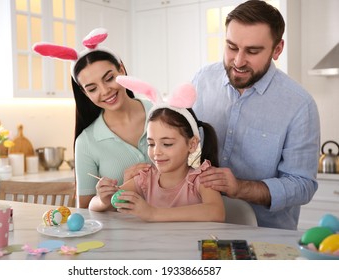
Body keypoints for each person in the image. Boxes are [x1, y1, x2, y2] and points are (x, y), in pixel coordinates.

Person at [192, 0, 320, 230]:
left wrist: (239, 188)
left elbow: (303, 185)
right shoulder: (202, 80)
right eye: (232, 47)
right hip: (200, 224)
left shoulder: (300, 105)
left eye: (252, 51)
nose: (239, 61)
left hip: (266, 236)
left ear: (277, 49)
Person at [33, 28, 152, 208]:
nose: (105, 91)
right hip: (124, 234)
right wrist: (106, 198)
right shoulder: (86, 142)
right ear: (84, 92)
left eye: (109, 78)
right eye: (92, 88)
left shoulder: (161, 112)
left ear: (121, 69)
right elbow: (86, 206)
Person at [89, 75, 225, 223]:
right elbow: (94, 206)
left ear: (192, 144)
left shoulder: (201, 179)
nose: (156, 152)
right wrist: (104, 200)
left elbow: (216, 212)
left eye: (167, 144)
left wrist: (153, 214)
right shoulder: (145, 179)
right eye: (151, 144)